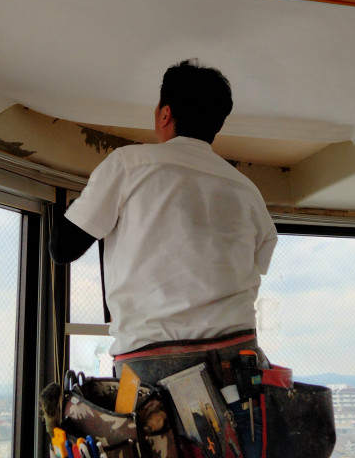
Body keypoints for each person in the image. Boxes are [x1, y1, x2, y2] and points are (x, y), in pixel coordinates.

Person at [50, 59, 277, 455]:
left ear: (165, 114)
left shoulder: (129, 164)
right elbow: (257, 265)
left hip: (151, 373)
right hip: (241, 367)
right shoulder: (247, 191)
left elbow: (62, 248)